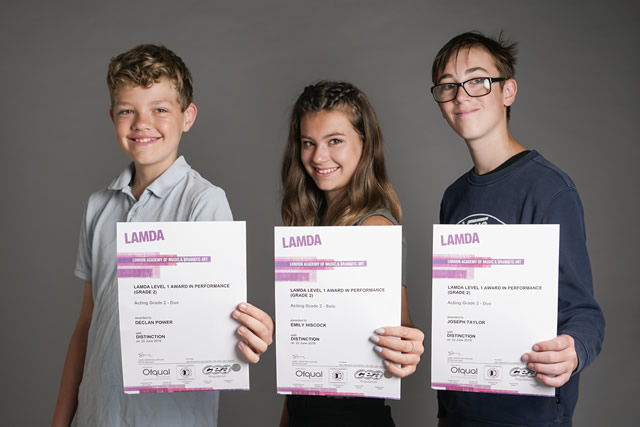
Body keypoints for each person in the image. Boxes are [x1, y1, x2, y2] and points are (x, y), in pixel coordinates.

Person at [51, 44, 274, 427]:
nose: (142, 124)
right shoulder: (98, 207)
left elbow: (217, 323)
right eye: (127, 111)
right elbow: (87, 323)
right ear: (112, 117)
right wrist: (61, 420)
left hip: (170, 418)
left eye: (160, 109)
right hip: (96, 415)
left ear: (187, 117)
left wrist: (251, 334)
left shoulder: (205, 203)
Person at [430, 31, 605, 426]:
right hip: (462, 414)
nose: (461, 95)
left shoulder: (550, 190)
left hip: (531, 415)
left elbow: (584, 312)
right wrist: (445, 412)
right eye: (448, 86)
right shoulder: (453, 198)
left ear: (507, 91)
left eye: (477, 81)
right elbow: (454, 317)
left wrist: (573, 350)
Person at [278, 81, 425, 427]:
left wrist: (407, 348)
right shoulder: (310, 223)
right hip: (306, 414)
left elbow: (402, 328)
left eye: (335, 141)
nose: (318, 157)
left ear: (365, 143)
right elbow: (305, 358)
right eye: (308, 143)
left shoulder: (373, 227)